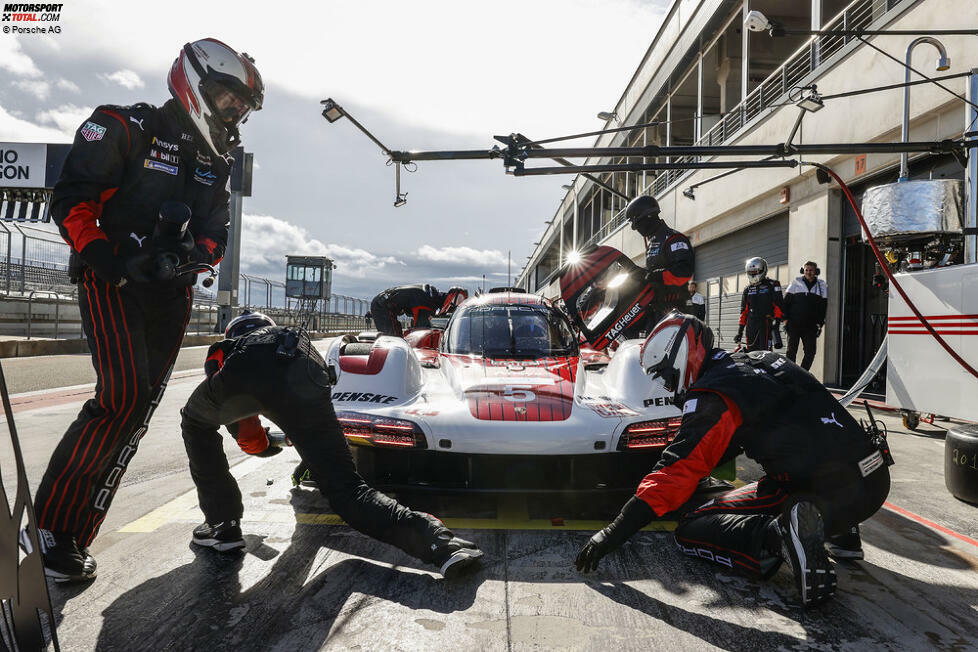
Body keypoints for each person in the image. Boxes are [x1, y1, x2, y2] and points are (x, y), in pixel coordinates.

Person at [30, 38, 263, 583]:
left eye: (243, 107)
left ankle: (68, 537)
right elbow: (70, 201)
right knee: (122, 397)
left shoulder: (216, 162)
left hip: (171, 294)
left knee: (136, 411)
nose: (236, 112)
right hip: (111, 281)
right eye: (231, 99)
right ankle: (49, 531)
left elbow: (216, 235)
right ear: (198, 83)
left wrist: (186, 256)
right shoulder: (121, 125)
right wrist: (113, 260)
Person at [574, 312, 891, 606]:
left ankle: (778, 534)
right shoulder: (761, 359)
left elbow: (675, 474)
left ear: (682, 356)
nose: (670, 389)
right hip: (871, 481)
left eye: (667, 377)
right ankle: (842, 533)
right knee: (808, 451)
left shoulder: (714, 395)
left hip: (821, 494)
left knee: (691, 527)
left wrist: (610, 534)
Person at [181, 312, 483, 579]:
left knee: (195, 422)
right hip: (309, 369)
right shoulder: (288, 341)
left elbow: (246, 434)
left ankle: (223, 525)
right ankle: (440, 545)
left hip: (255, 368)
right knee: (348, 491)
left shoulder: (229, 351)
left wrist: (265, 446)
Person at [623, 195, 694, 336]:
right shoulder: (652, 243)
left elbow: (684, 272)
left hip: (676, 312)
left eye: (637, 224)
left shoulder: (673, 239)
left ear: (648, 217)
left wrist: (655, 276)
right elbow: (652, 274)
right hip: (656, 310)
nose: (636, 229)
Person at [369, 285, 467, 336]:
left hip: (385, 304)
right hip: (382, 306)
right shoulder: (427, 300)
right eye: (458, 300)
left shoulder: (432, 296)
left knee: (397, 338)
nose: (457, 304)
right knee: (392, 340)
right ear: (451, 296)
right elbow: (421, 329)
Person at [784, 262, 828, 371]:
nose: (808, 272)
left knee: (810, 352)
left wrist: (820, 323)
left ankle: (802, 373)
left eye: (811, 270)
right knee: (791, 352)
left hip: (810, 326)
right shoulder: (795, 283)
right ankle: (791, 374)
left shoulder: (821, 285)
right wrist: (785, 320)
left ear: (816, 272)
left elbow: (823, 306)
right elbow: (786, 302)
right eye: (806, 270)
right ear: (803, 271)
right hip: (794, 324)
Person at [735, 257, 784, 351]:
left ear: (762, 270)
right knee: (750, 352)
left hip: (765, 324)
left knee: (765, 353)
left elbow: (779, 306)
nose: (753, 274)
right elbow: (744, 312)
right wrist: (740, 332)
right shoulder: (747, 289)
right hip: (751, 325)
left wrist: (776, 323)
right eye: (750, 272)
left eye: (755, 271)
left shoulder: (772, 285)